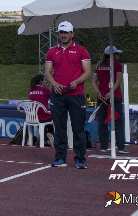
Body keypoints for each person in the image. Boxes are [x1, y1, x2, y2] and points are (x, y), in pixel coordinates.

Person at [45, 21, 92, 169]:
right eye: (61, 32)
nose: (63, 35)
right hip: (58, 95)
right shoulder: (52, 51)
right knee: (59, 128)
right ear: (58, 34)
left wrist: (76, 82)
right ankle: (60, 158)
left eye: (66, 32)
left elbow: (88, 72)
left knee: (78, 128)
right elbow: (47, 72)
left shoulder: (82, 51)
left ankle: (80, 159)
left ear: (72, 33)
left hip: (76, 94)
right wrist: (55, 84)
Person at [91, 46, 128, 153]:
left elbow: (94, 81)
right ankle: (121, 146)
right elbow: (118, 81)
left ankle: (103, 146)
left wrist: (99, 92)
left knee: (102, 121)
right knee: (118, 121)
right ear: (112, 55)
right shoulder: (117, 65)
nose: (118, 56)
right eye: (117, 54)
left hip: (101, 97)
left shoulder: (99, 66)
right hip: (115, 96)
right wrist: (110, 93)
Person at [29, 74, 54, 147]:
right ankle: (51, 136)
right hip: (44, 115)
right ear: (41, 82)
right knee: (56, 118)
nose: (45, 82)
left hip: (33, 116)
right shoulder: (45, 90)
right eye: (45, 80)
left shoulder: (30, 90)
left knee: (44, 123)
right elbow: (53, 100)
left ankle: (47, 138)